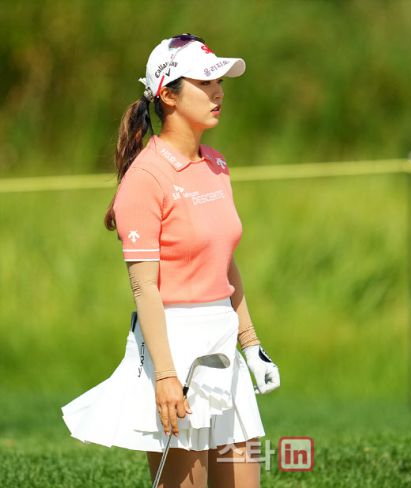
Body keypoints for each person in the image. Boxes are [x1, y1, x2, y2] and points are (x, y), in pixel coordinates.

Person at [61, 33, 280, 488]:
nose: (218, 92)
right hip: (173, 348)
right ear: (168, 95)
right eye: (205, 82)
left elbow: (225, 263)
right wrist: (164, 376)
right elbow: (145, 287)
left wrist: (251, 344)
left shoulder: (217, 164)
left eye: (219, 81)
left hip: (224, 343)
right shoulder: (146, 175)